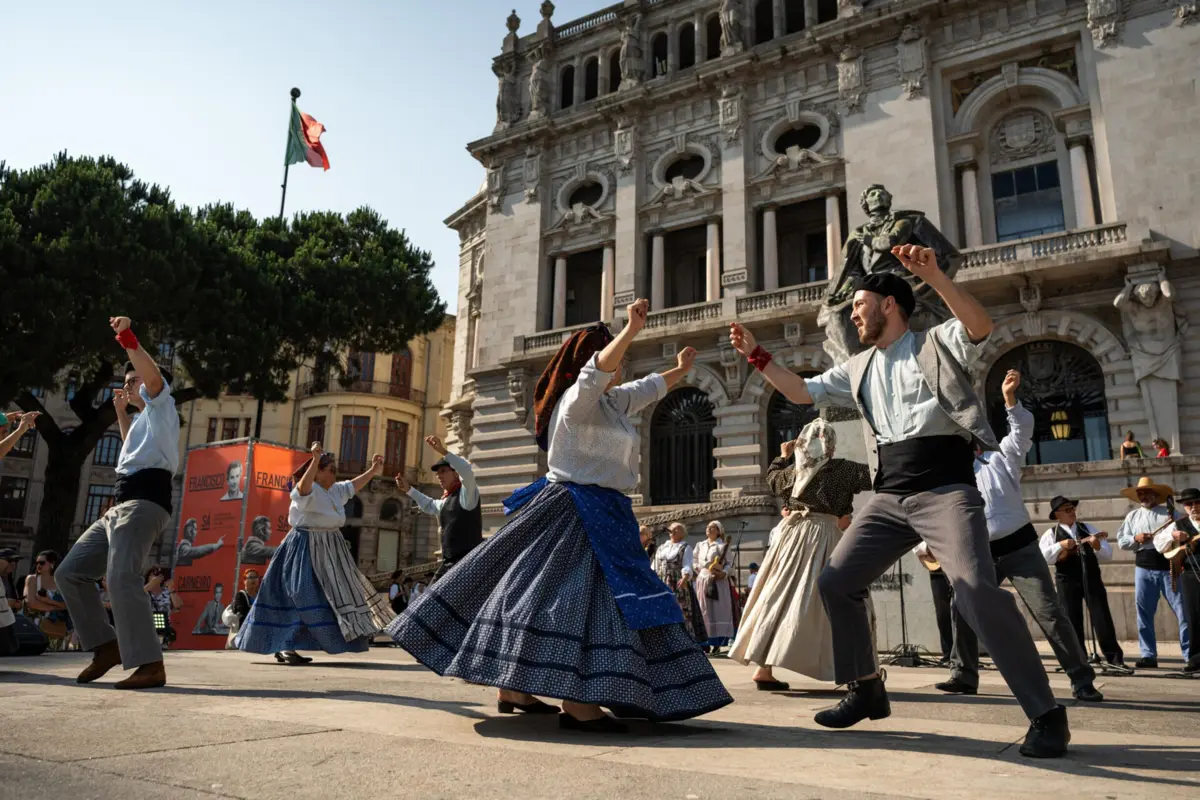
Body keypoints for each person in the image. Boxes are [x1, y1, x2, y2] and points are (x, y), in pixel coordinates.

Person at [729, 244, 1069, 758]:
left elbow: (980, 327)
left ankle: (1046, 715)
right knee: (837, 582)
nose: (853, 314)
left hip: (945, 489)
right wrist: (756, 354)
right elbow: (800, 391)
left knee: (976, 590)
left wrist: (935, 276)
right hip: (888, 495)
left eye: (860, 305)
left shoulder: (935, 342)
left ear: (889, 304)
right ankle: (866, 687)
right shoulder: (858, 366)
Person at [389, 301, 733, 731]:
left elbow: (649, 388)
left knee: (548, 597)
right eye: (617, 359)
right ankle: (578, 701)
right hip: (575, 512)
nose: (621, 367)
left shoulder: (611, 402)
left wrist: (680, 370)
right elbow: (596, 371)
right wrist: (630, 330)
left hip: (598, 511)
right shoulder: (578, 399)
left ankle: (514, 688)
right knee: (584, 601)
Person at [930, 370, 1102, 702]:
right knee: (961, 606)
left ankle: (1081, 678)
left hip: (1020, 546)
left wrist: (1010, 400)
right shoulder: (950, 475)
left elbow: (1021, 432)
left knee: (1048, 612)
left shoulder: (1000, 458)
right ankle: (963, 674)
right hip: (978, 551)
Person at [57, 317, 180, 689]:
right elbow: (128, 448)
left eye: (132, 381)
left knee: (121, 577)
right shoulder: (144, 422)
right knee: (70, 573)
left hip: (145, 500)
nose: (127, 386)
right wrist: (123, 412)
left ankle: (149, 663)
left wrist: (127, 339)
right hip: (121, 504)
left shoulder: (163, 407)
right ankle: (106, 646)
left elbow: (152, 376)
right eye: (124, 383)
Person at [731, 419, 872, 690]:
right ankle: (856, 669)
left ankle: (763, 669)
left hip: (791, 538)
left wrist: (782, 457)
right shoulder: (842, 469)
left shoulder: (792, 472)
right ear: (830, 444)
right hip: (824, 536)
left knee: (778, 596)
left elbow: (772, 480)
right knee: (838, 597)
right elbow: (876, 474)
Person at [235, 444, 394, 665]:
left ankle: (310, 643)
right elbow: (302, 487)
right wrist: (315, 460)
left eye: (333, 469)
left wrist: (374, 471)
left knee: (335, 595)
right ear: (317, 471)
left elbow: (353, 485)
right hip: (304, 546)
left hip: (331, 548)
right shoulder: (307, 490)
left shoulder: (334, 490)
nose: (334, 473)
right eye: (329, 469)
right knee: (300, 593)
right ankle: (285, 646)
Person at [1040, 497, 1124, 667]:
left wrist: (1097, 546)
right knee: (1071, 619)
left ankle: (1114, 659)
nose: (1072, 512)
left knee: (1102, 617)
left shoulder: (1087, 529)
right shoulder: (1051, 534)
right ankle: (1079, 659)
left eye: (1072, 509)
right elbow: (1043, 558)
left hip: (1091, 577)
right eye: (1067, 510)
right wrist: (1060, 545)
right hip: (1067, 580)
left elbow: (1108, 555)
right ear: (1057, 514)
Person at [1117, 477, 1190, 669]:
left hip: (1168, 567)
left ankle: (1190, 654)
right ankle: (1148, 655)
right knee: (1143, 613)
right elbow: (1122, 541)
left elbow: (1185, 534)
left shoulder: (1173, 514)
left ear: (1156, 495)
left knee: (1183, 611)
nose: (1143, 496)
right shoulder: (1132, 517)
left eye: (1147, 492)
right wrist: (1136, 538)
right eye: (1140, 493)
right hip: (1143, 567)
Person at [396, 435, 481, 584]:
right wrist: (409, 489)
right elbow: (429, 505)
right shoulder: (445, 501)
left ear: (455, 474)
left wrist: (442, 450)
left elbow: (467, 470)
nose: (439, 476)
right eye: (437, 473)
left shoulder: (467, 496)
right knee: (430, 600)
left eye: (443, 471)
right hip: (449, 563)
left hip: (468, 564)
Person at [1155, 487, 1200, 674]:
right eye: (1189, 504)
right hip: (1190, 574)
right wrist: (1173, 536)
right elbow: (1159, 544)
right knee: (1194, 616)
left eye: (1197, 503)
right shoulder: (1179, 524)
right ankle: (1196, 659)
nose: (1194, 507)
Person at [652, 523, 708, 643]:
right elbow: (654, 566)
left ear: (682, 533)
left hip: (676, 581)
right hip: (662, 582)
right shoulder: (662, 547)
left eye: (678, 528)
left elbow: (687, 564)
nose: (674, 529)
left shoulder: (685, 547)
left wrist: (685, 577)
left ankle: (683, 639)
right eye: (673, 528)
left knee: (681, 609)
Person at [694, 521, 736, 653]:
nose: (709, 529)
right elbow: (694, 561)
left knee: (717, 610)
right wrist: (700, 571)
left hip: (718, 581)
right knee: (704, 610)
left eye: (712, 527)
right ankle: (705, 642)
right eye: (708, 527)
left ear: (719, 531)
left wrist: (723, 573)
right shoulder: (700, 545)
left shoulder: (723, 546)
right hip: (703, 580)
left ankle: (718, 643)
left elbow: (731, 565)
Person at [24, 550, 70, 651]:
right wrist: (57, 607)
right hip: (36, 627)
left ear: (52, 563)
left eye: (42, 563)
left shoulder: (61, 582)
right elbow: (31, 603)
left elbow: (69, 606)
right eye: (36, 563)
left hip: (57, 627)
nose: (38, 565)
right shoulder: (32, 579)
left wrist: (49, 601)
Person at [226, 569, 261, 649]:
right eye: (250, 577)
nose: (253, 579)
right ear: (244, 581)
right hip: (244, 634)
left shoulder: (260, 596)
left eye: (255, 577)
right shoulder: (241, 595)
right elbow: (242, 612)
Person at [0, 548, 21, 656]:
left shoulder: (6, 578)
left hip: (4, 620)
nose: (12, 564)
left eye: (15, 561)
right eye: (9, 560)